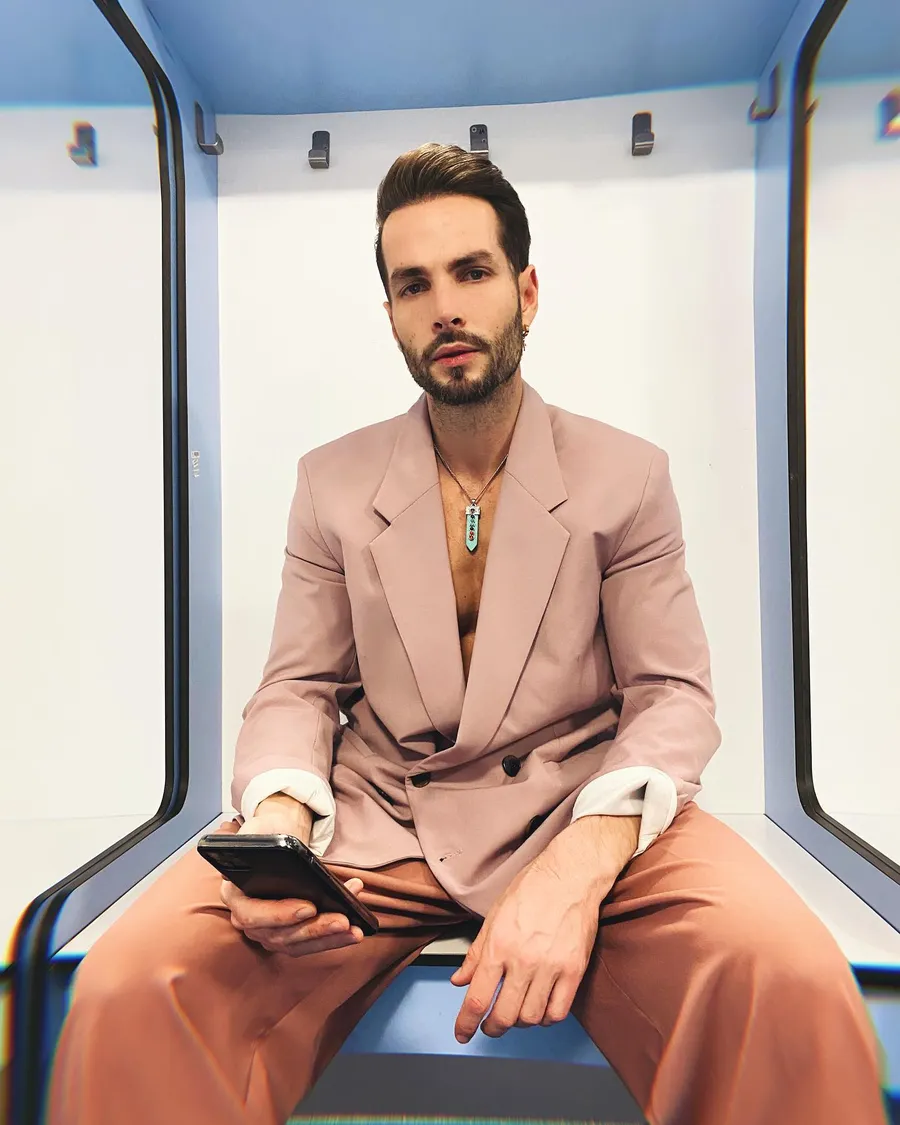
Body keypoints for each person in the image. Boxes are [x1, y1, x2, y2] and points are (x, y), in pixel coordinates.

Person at [49, 143, 888, 1125]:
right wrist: (278, 820)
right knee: (135, 983)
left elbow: (672, 696)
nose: (444, 307)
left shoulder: (628, 475)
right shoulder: (331, 482)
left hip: (584, 812)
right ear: (392, 315)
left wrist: (581, 862)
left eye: (471, 272)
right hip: (378, 820)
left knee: (785, 979)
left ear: (525, 291)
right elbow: (298, 687)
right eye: (414, 285)